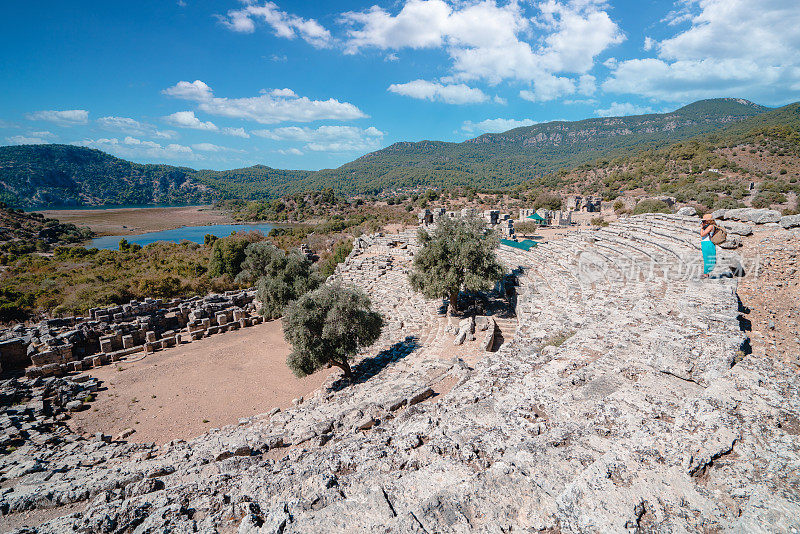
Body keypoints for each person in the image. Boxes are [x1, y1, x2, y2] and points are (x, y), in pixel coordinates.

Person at [700, 214, 717, 278]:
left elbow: (702, 234)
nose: (703, 222)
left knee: (708, 258)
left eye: (704, 221)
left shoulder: (710, 226)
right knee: (706, 258)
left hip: (708, 243)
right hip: (705, 243)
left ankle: (706, 273)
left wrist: (701, 228)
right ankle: (706, 273)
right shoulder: (707, 226)